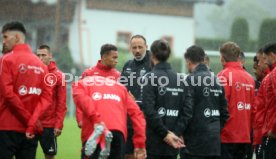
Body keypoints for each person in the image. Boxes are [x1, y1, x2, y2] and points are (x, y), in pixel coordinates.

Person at [0, 21, 52, 159]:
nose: (3, 42)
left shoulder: (6, 60)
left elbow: (8, 94)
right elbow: (46, 99)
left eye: (5, 37)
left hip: (6, 127)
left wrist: (30, 120)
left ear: (16, 38)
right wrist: (32, 122)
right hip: (31, 131)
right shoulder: (42, 66)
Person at [72, 75, 147, 159]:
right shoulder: (120, 87)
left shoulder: (80, 84)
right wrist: (140, 144)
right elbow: (137, 114)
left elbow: (84, 102)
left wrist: (96, 120)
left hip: (95, 132)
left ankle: (102, 141)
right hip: (118, 132)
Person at [175, 45, 229, 159]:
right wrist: (214, 129)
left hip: (194, 145)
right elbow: (225, 113)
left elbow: (187, 111)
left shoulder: (190, 80)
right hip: (213, 144)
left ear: (188, 61)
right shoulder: (217, 80)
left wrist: (177, 132)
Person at [141, 39, 185, 159]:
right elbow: (186, 111)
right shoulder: (180, 79)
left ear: (152, 55)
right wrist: (175, 133)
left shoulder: (149, 77)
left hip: (155, 142)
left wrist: (165, 134)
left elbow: (149, 111)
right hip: (173, 143)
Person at [217, 42, 255, 159]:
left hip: (226, 136)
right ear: (238, 57)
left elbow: (220, 106)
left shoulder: (222, 76)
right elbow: (253, 109)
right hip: (245, 136)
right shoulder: (250, 78)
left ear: (222, 58)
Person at [120, 35, 151, 159]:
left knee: (142, 154)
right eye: (134, 47)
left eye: (140, 47)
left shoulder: (153, 65)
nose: (137, 50)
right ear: (130, 48)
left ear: (146, 47)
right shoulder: (128, 65)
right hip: (128, 118)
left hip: (146, 118)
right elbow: (121, 88)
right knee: (127, 154)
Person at [76, 44, 120, 128]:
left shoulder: (118, 76)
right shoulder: (89, 74)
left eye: (116, 58)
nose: (116, 61)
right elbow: (80, 98)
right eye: (114, 58)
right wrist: (80, 118)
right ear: (104, 57)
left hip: (112, 120)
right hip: (91, 121)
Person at [36, 45, 67, 159]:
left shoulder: (59, 76)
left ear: (50, 56)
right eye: (38, 55)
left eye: (43, 55)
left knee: (49, 155)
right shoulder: (32, 72)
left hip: (48, 124)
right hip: (32, 122)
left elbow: (61, 103)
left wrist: (58, 125)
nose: (40, 58)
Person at [252, 48, 270, 159]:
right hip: (262, 133)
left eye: (260, 60)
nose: (258, 64)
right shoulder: (264, 80)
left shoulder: (269, 79)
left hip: (265, 134)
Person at [260, 43, 276, 159]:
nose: (264, 62)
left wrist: (273, 128)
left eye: (265, 58)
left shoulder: (274, 74)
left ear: (272, 55)